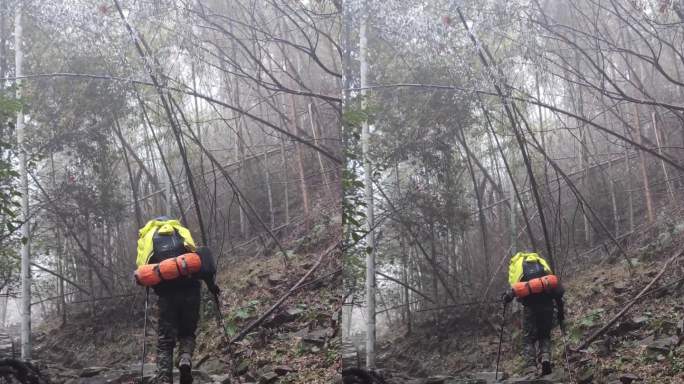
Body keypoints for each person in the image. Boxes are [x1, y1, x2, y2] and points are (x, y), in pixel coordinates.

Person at [136, 216, 220, 384]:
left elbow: (141, 270)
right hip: (191, 291)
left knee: (165, 342)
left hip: (167, 296)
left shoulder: (148, 237)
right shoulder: (182, 232)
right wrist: (212, 287)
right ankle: (185, 358)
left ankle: (164, 379)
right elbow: (199, 260)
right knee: (187, 333)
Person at [502, 252, 564, 377]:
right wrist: (560, 314)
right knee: (544, 334)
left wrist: (506, 298)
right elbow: (556, 291)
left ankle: (531, 368)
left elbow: (514, 289)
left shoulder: (520, 268)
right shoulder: (541, 265)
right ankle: (545, 357)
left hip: (530, 307)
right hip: (548, 305)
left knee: (527, 338)